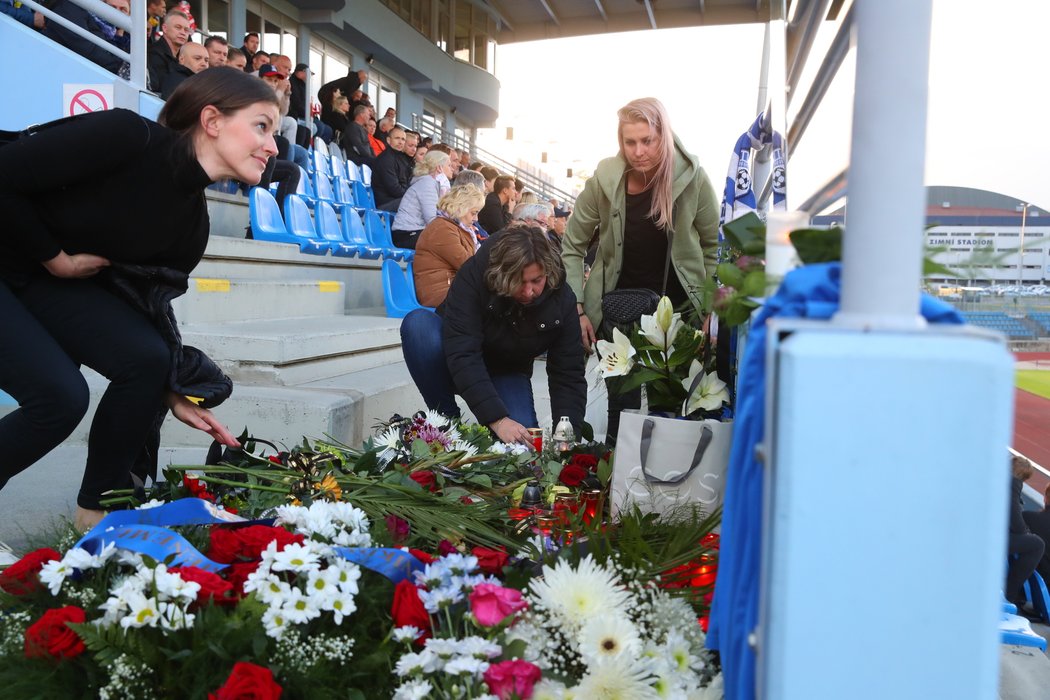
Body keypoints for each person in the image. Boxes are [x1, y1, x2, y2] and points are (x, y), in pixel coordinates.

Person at [0, 69, 274, 535]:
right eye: (262, 126)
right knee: (60, 397)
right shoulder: (128, 137)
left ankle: (99, 514)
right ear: (211, 120)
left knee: (148, 359)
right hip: (20, 257)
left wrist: (169, 387)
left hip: (33, 278)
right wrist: (57, 260)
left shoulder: (192, 228)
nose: (273, 147)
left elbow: (140, 308)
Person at [561, 96, 720, 442]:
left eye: (647, 140)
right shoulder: (604, 181)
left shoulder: (693, 179)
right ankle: (618, 491)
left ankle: (667, 493)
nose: (638, 151)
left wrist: (711, 311)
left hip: (677, 318)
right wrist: (577, 307)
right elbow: (572, 246)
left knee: (671, 414)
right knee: (621, 414)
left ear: (664, 135)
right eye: (629, 142)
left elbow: (713, 248)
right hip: (616, 318)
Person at [400, 226, 586, 445]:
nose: (528, 292)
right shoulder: (473, 276)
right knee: (419, 326)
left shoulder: (562, 298)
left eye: (536, 281)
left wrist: (566, 436)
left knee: (521, 449)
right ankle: (447, 422)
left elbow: (569, 372)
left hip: (507, 371)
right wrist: (497, 420)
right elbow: (463, 352)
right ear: (501, 273)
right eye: (519, 281)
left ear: (548, 271)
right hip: (452, 359)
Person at [413, 186, 486, 307]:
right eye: (474, 213)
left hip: (453, 289)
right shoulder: (442, 229)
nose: (476, 219)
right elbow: (468, 265)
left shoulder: (454, 227)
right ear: (460, 208)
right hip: (441, 293)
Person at [390, 150, 454, 249]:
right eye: (449, 165)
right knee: (448, 242)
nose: (452, 168)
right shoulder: (427, 183)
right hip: (406, 234)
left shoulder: (437, 185)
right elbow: (432, 219)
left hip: (417, 231)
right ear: (439, 168)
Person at [1007, 454, 1045, 614]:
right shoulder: (1012, 485)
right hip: (990, 537)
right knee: (1037, 544)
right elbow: (1017, 523)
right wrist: (1026, 532)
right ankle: (1010, 594)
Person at [146, 9, 191, 92]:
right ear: (165, 28)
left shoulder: (181, 57)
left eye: (186, 30)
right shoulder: (153, 54)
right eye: (178, 27)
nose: (183, 33)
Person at [371, 126, 412, 211]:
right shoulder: (385, 159)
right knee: (414, 203)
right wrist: (411, 196)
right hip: (385, 203)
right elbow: (394, 189)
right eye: (397, 138)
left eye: (403, 139)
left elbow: (407, 182)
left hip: (398, 199)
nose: (400, 142)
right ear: (388, 140)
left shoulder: (402, 158)